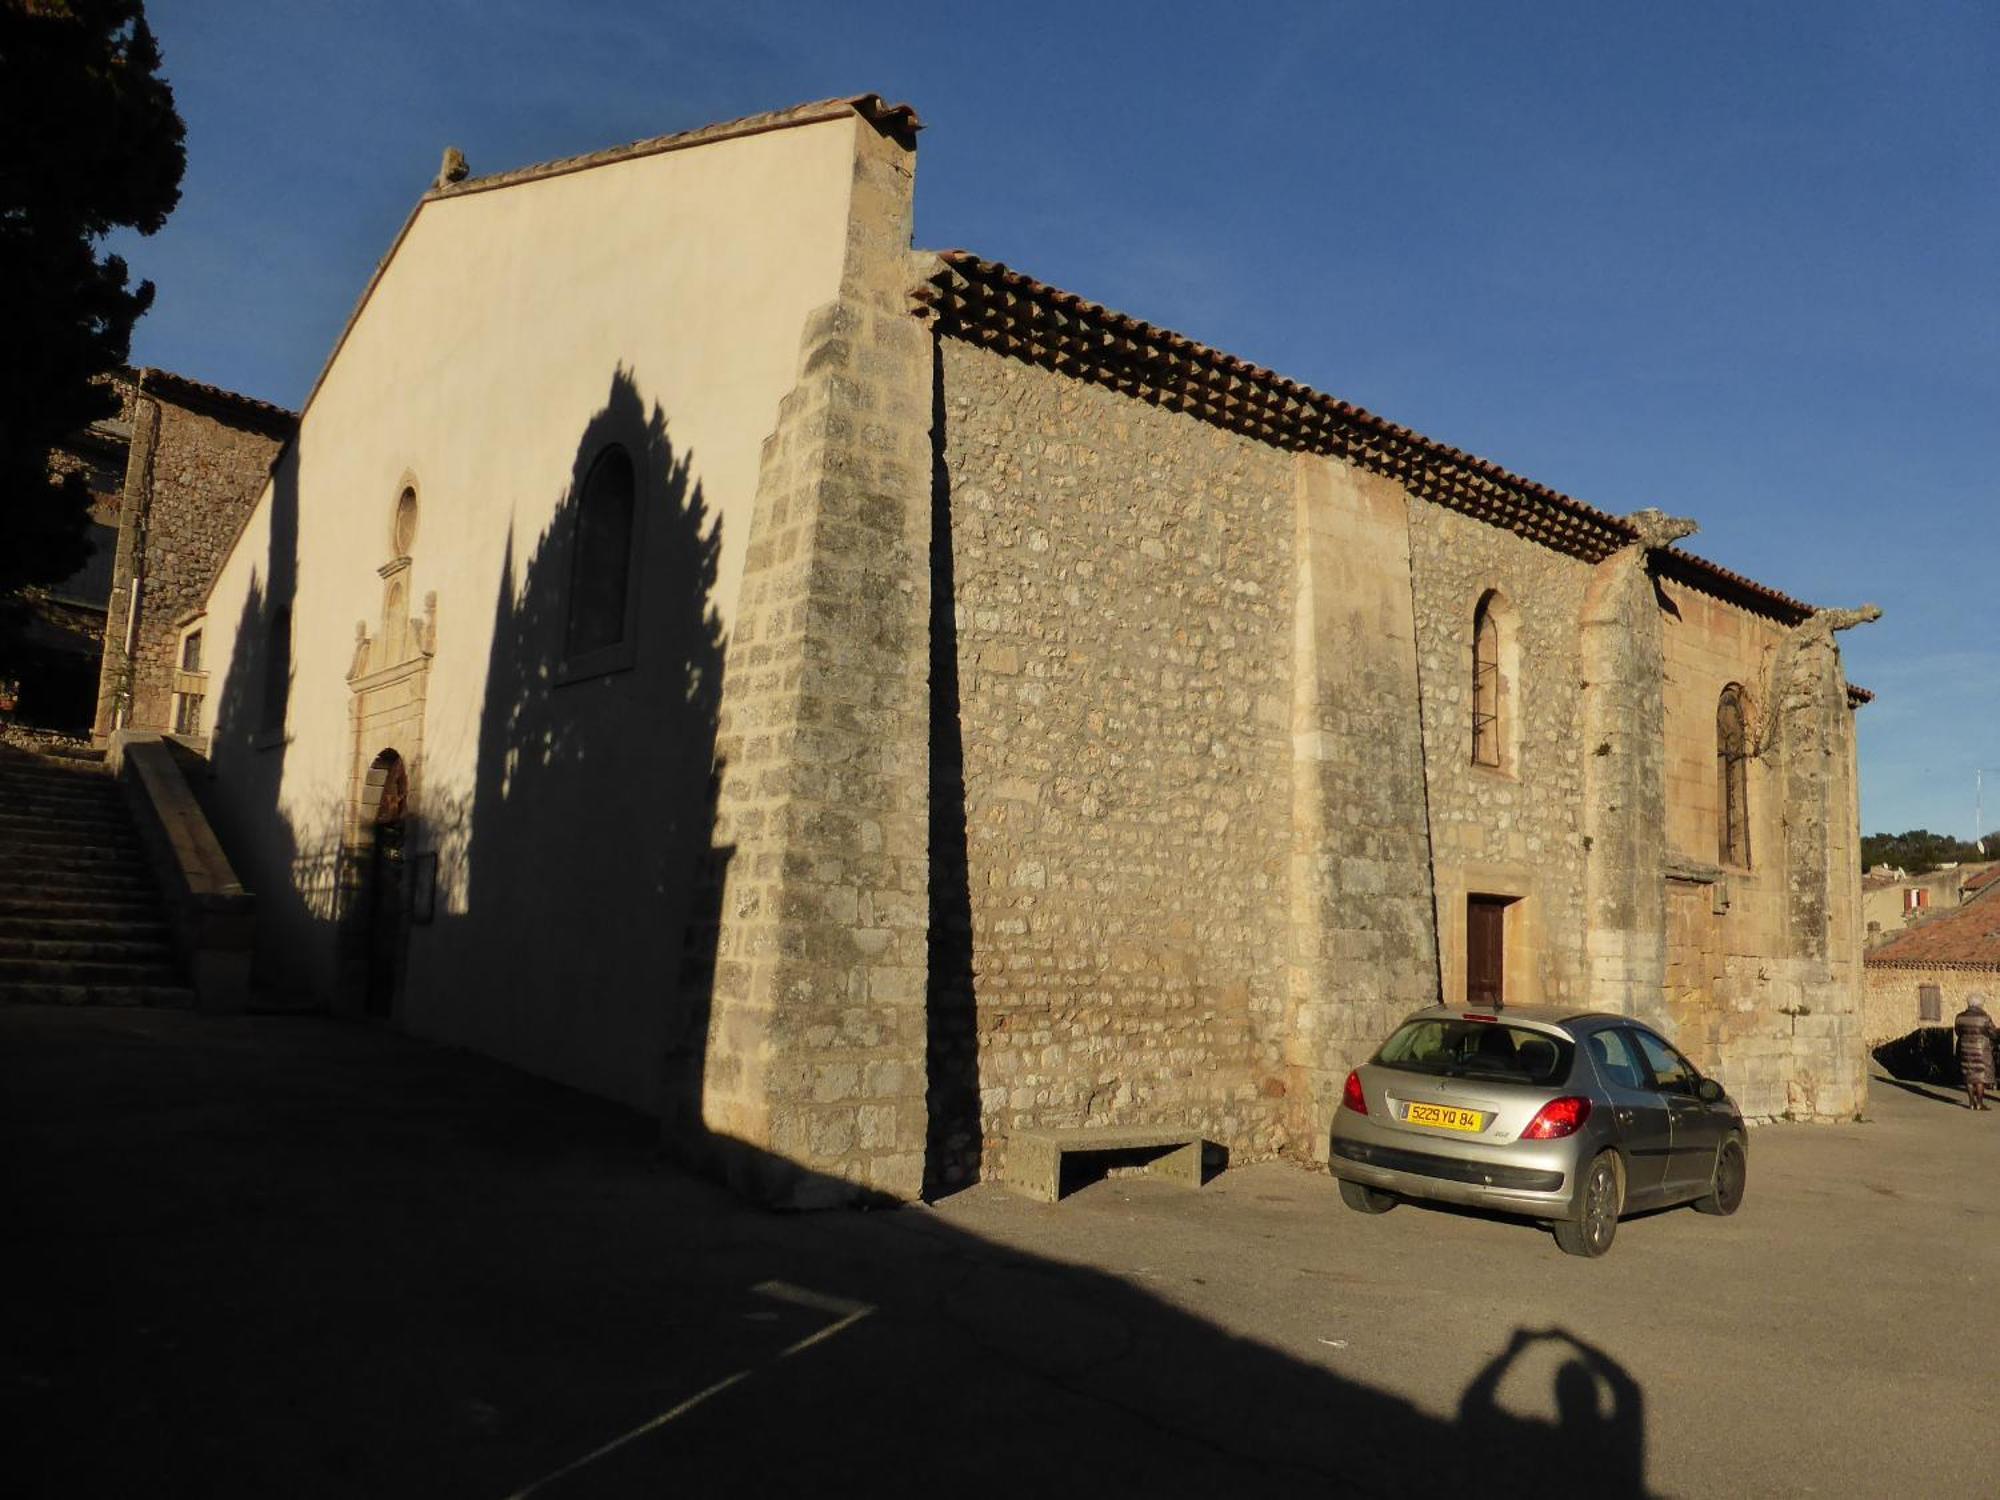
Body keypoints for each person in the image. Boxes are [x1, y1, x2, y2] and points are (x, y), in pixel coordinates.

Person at [1952, 994, 1998, 1111]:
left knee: (1969, 1074)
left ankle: (1971, 1102)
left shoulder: (1959, 1017)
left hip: (1965, 1048)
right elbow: (1993, 1033)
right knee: (1979, 1076)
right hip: (1981, 1049)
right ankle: (1979, 1103)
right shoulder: (1984, 1018)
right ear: (1980, 1004)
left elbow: (1957, 1031)